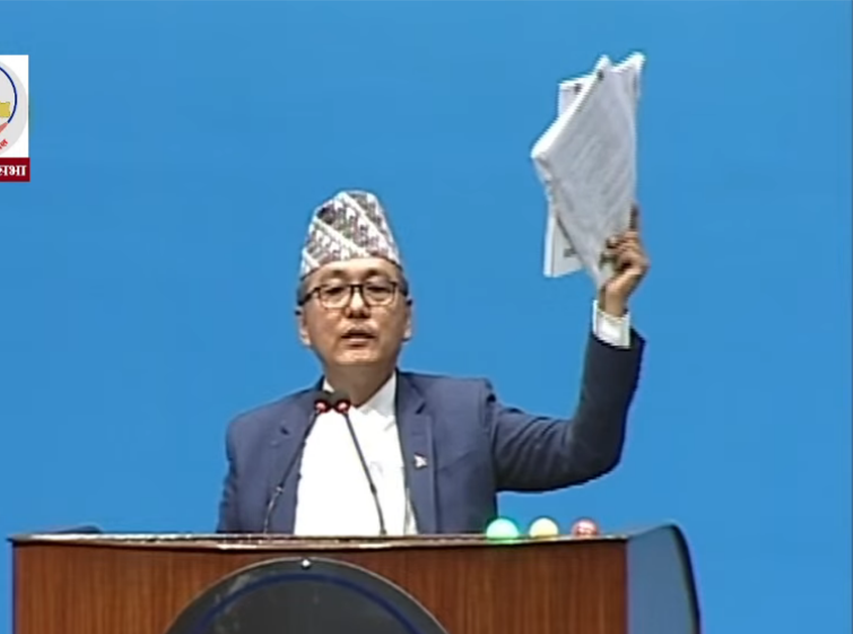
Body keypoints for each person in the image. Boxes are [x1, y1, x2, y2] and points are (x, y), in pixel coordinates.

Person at [216, 189, 648, 535]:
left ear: (408, 320)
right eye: (332, 291)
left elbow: (585, 450)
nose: (356, 307)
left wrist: (611, 308)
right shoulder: (254, 439)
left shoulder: (463, 416)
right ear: (303, 327)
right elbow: (225, 585)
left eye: (377, 289)